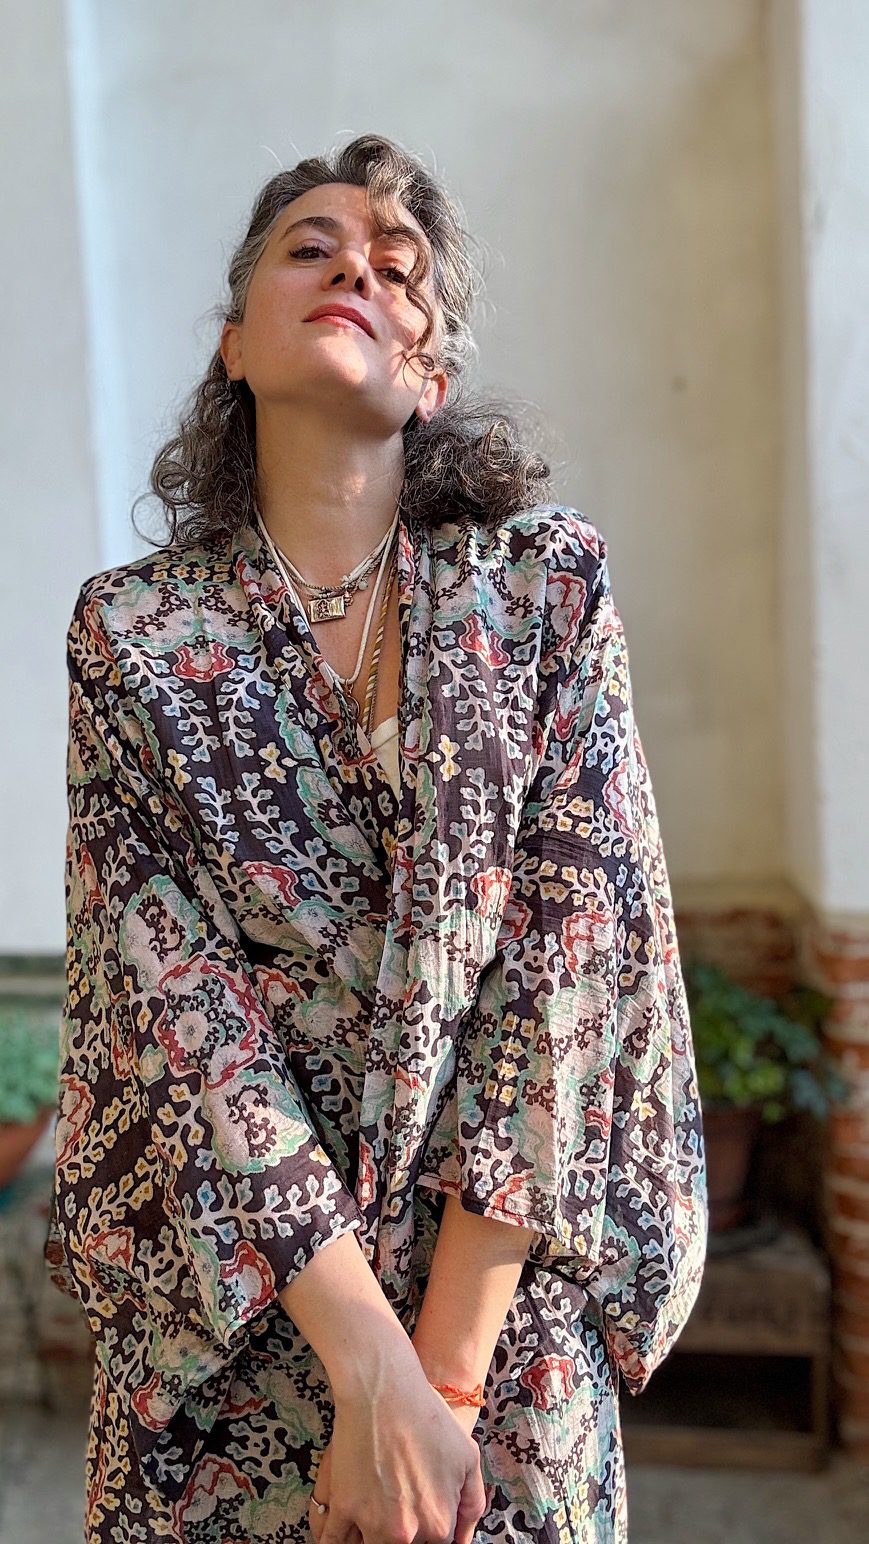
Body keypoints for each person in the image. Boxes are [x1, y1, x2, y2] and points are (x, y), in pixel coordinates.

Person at [44, 132, 708, 1543]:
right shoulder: (136, 634)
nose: (358, 266)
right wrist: (364, 1366)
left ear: (431, 376)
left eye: (400, 268)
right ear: (234, 344)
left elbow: (566, 971)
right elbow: (182, 1012)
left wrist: (437, 1390)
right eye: (312, 248)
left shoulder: (544, 590)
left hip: (500, 1313)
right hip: (245, 1305)